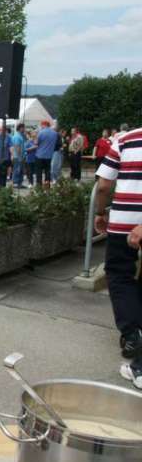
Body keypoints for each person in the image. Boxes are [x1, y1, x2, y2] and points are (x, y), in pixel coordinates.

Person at [94, 126, 142, 389]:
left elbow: (104, 184)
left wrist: (101, 213)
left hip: (123, 221)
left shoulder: (125, 139)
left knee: (119, 276)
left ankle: (132, 333)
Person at [35, 120, 57, 187]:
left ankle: (39, 186)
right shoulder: (55, 133)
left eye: (41, 125)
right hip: (49, 156)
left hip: (40, 155)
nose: (41, 127)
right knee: (48, 171)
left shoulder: (41, 132)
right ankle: (47, 185)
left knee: (39, 171)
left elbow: (36, 143)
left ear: (44, 125)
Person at [11, 123, 26, 189]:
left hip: (20, 156)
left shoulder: (20, 136)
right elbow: (17, 147)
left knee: (20, 170)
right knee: (17, 169)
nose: (24, 129)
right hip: (18, 156)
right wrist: (20, 156)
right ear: (20, 128)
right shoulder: (17, 136)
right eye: (23, 128)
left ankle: (19, 183)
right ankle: (15, 183)